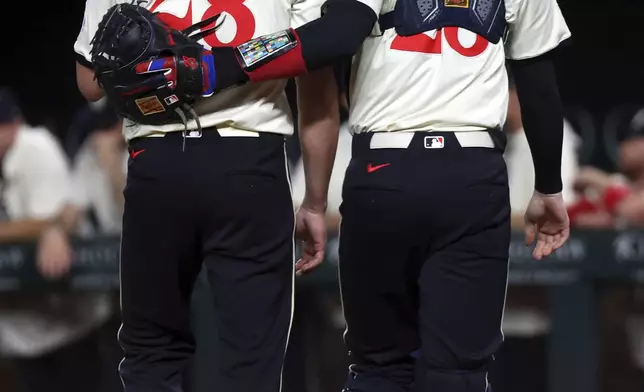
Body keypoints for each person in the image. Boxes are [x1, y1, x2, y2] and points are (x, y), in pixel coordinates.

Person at [198, 0, 573, 390]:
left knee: (380, 367)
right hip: (472, 173)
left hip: (383, 172)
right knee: (458, 370)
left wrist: (220, 65)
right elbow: (539, 83)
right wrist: (548, 186)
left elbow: (332, 39)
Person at [74, 1, 340, 391]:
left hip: (158, 162)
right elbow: (317, 91)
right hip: (249, 163)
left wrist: (148, 57)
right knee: (252, 361)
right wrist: (315, 201)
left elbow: (89, 84)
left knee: (151, 354)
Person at [0, 87, 111, 392]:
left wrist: (54, 230)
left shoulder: (34, 145)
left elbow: (56, 219)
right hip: (18, 334)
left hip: (66, 327)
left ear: (13, 123)